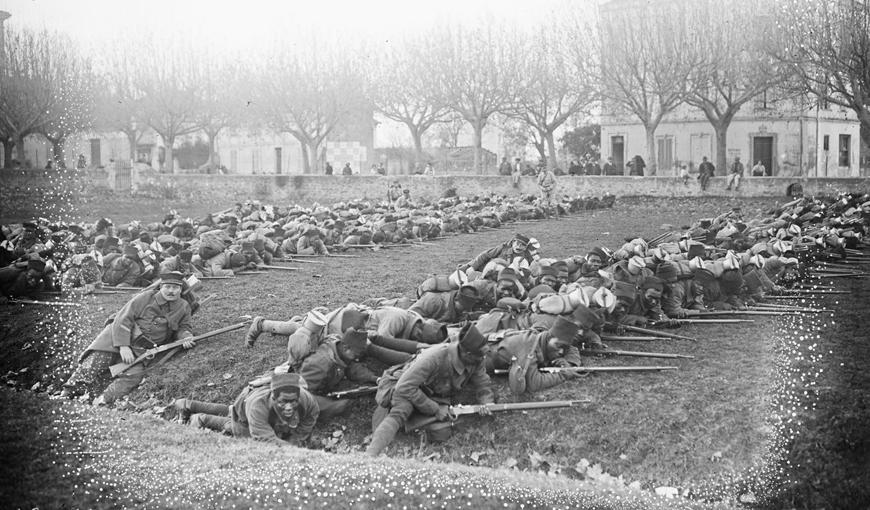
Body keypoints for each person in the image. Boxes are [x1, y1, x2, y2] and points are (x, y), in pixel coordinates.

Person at [60, 272, 195, 405]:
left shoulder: (183, 306)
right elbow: (123, 319)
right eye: (167, 287)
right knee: (96, 360)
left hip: (142, 350)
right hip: (117, 337)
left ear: (180, 289)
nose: (171, 291)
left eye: (175, 287)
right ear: (161, 287)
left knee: (133, 376)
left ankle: (102, 400)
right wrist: (123, 346)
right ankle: (68, 391)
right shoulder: (145, 297)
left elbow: (184, 327)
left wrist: (186, 337)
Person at [365, 323, 494, 456]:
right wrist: (435, 409)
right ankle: (370, 455)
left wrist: (487, 403)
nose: (482, 358)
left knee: (442, 432)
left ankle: (413, 425)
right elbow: (404, 387)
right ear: (467, 353)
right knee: (401, 411)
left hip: (435, 393)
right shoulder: (434, 357)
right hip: (406, 387)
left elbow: (482, 382)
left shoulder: (476, 358)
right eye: (479, 356)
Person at [175, 372, 319, 446]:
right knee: (241, 432)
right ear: (273, 398)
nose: (289, 407)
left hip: (254, 408)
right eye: (283, 402)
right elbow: (266, 440)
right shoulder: (258, 407)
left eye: (293, 402)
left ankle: (188, 405)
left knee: (230, 411)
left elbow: (310, 418)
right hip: (246, 410)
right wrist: (292, 449)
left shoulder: (306, 399)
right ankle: (202, 418)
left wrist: (296, 439)